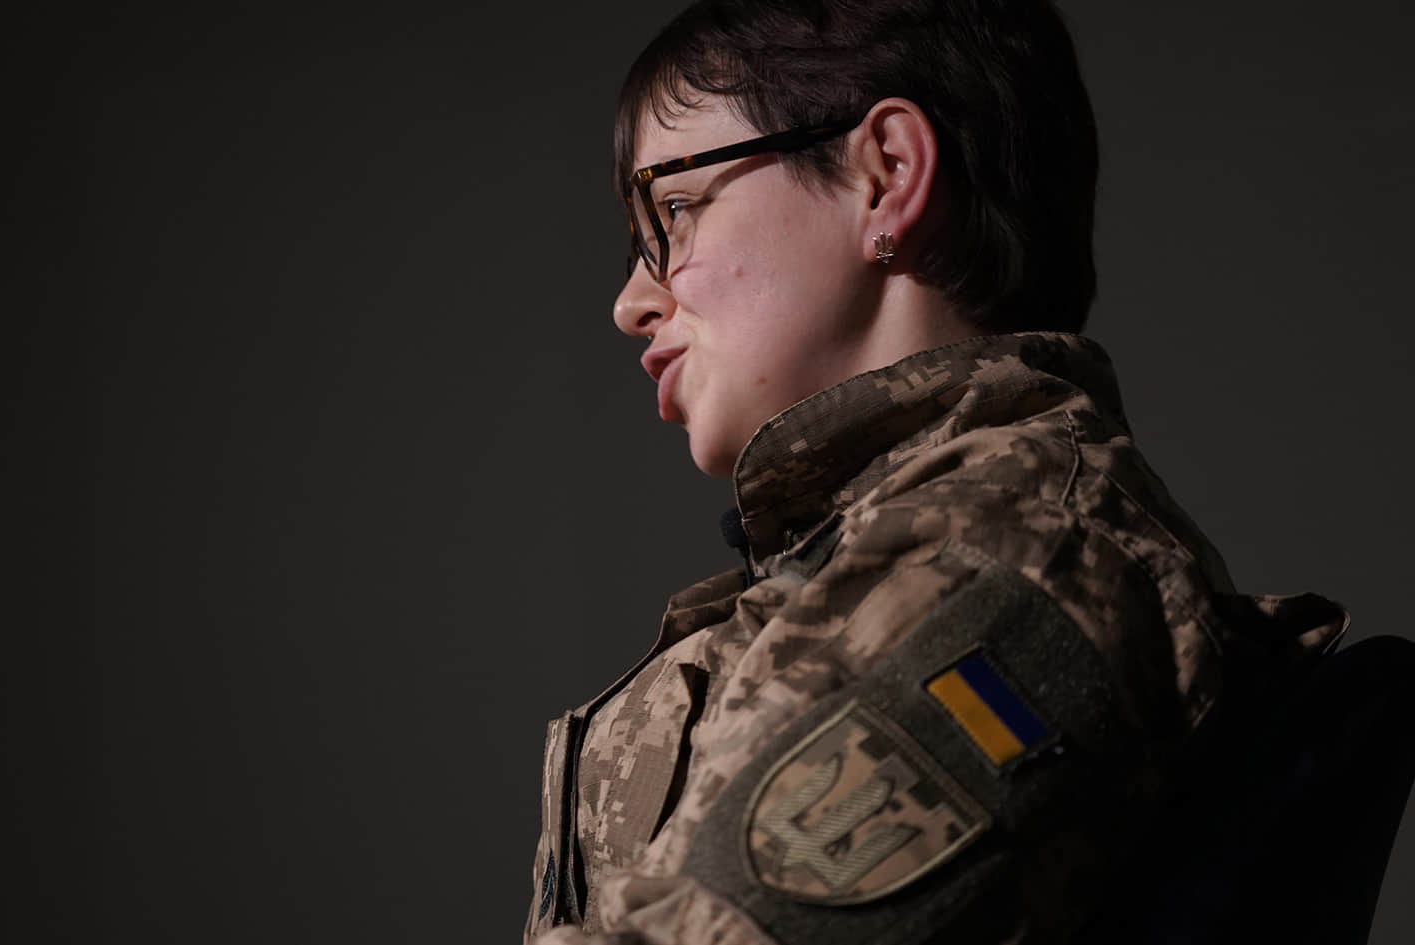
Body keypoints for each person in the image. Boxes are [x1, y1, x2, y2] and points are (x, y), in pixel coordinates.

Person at [523, 1, 1349, 943]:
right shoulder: (883, 555)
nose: (633, 300)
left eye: (671, 210)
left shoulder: (1018, 566)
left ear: (886, 175)